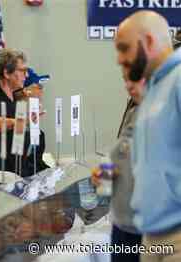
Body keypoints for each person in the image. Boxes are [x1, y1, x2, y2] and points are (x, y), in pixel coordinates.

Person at [115, 11, 180, 261]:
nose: (120, 59)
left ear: (150, 42)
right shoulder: (152, 89)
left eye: (124, 48)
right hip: (151, 235)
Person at [92, 75, 145, 262]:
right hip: (124, 223)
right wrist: (105, 173)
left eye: (136, 79)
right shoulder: (134, 109)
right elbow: (119, 156)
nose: (128, 85)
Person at [0, 49, 49, 176]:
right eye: (22, 71)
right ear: (7, 73)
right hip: (1, 172)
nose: (26, 76)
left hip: (22, 167)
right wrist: (21, 122)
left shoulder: (15, 96)